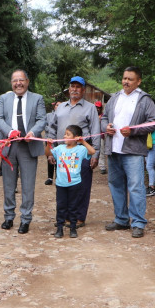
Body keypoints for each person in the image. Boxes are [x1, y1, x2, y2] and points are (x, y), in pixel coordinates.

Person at [100, 67, 155, 238]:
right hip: (114, 149)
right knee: (116, 185)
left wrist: (133, 131)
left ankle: (138, 222)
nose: (126, 82)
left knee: (136, 187)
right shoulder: (114, 97)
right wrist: (106, 127)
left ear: (138, 81)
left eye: (130, 79)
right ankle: (121, 219)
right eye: (124, 78)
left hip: (133, 151)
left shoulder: (144, 99)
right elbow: (104, 118)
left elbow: (152, 123)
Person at [0, 69, 46, 234]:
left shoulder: (37, 99)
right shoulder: (4, 98)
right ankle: (9, 216)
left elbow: (42, 119)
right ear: (11, 83)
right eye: (15, 80)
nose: (18, 83)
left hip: (28, 146)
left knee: (28, 185)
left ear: (27, 81)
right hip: (9, 145)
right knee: (8, 184)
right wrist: (9, 132)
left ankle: (25, 219)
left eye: (21, 80)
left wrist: (33, 132)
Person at [46, 76, 101, 227]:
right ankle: (65, 217)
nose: (75, 89)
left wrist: (95, 155)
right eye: (72, 86)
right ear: (69, 89)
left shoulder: (90, 108)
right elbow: (52, 129)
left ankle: (79, 217)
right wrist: (51, 152)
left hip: (81, 154)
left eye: (78, 87)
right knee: (64, 185)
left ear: (83, 90)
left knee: (81, 186)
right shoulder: (61, 107)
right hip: (63, 153)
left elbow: (96, 131)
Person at [45, 125, 96, 239]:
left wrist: (83, 141)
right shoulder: (59, 148)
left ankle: (73, 228)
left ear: (76, 137)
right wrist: (48, 145)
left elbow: (92, 151)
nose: (64, 136)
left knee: (73, 206)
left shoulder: (81, 149)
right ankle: (59, 228)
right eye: (65, 134)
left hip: (75, 183)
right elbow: (48, 153)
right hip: (61, 184)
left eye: (68, 134)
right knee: (61, 206)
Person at [44, 101, 60, 186]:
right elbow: (45, 125)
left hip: (60, 140)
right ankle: (50, 178)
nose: (59, 107)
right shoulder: (48, 115)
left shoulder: (63, 115)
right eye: (57, 105)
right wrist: (50, 128)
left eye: (61, 105)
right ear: (54, 106)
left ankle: (58, 177)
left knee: (59, 159)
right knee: (50, 157)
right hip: (49, 139)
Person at [95, 100, 107, 174]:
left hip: (101, 136)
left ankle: (102, 166)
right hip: (93, 137)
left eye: (98, 107)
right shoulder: (92, 115)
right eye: (96, 107)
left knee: (102, 152)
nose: (97, 109)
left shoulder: (103, 116)